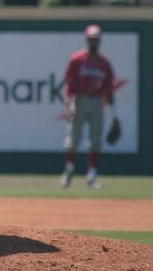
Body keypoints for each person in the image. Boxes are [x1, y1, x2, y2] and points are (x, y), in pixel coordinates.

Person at [60, 23, 116, 189]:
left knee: (95, 141)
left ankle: (91, 175)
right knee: (73, 139)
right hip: (79, 99)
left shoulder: (104, 63)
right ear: (86, 40)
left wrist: (114, 115)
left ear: (100, 41)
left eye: (96, 39)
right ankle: (68, 172)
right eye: (91, 39)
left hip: (96, 101)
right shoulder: (77, 59)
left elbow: (109, 89)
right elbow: (69, 84)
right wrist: (69, 103)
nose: (93, 42)